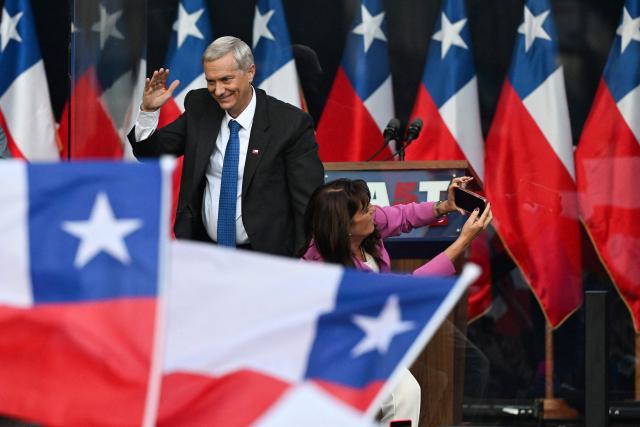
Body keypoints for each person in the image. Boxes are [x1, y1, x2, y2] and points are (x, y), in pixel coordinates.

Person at [300, 176, 492, 426]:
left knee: (452, 372)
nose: (373, 210)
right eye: (365, 209)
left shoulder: (364, 228)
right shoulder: (327, 268)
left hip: (379, 328)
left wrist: (444, 206)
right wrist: (463, 241)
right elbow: (406, 289)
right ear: (345, 225)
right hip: (343, 348)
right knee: (404, 393)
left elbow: (402, 216)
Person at [128, 36, 324, 256]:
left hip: (268, 258)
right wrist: (148, 111)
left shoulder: (289, 123)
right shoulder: (201, 108)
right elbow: (150, 153)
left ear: (250, 72)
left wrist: (300, 261)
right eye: (211, 81)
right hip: (205, 253)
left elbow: (308, 203)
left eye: (226, 79)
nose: (218, 90)